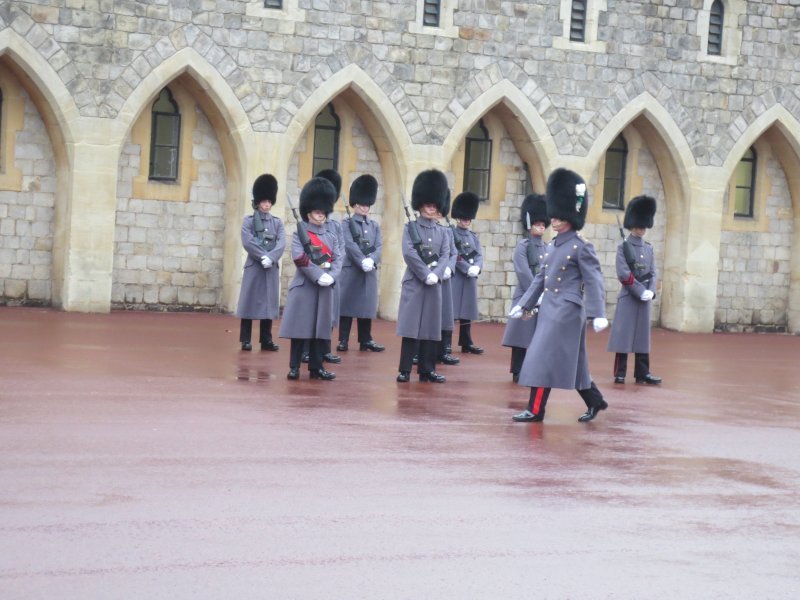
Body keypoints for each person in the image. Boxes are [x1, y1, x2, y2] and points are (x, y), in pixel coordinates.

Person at [509, 168, 609, 423]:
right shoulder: (553, 245)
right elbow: (541, 279)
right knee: (572, 364)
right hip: (550, 309)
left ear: (569, 215)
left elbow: (594, 280)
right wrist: (523, 305)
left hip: (566, 312)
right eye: (552, 216)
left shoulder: (580, 247)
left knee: (542, 358)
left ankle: (535, 410)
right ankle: (595, 401)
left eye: (557, 216)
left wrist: (598, 313)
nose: (553, 220)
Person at [278, 177, 339, 381]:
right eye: (316, 211)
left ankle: (316, 366)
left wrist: (330, 277)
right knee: (300, 329)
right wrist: (318, 274)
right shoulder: (299, 234)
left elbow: (339, 258)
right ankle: (294, 366)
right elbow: (299, 257)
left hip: (325, 287)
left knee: (320, 330)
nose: (320, 214)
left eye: (322, 211)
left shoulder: (331, 235)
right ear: (309, 212)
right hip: (305, 287)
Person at [396, 169, 451, 383]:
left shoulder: (443, 232)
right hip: (415, 283)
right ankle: (405, 369)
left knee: (430, 328)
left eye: (434, 205)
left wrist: (435, 274)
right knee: (411, 329)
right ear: (420, 205)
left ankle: (427, 370)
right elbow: (409, 253)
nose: (431, 208)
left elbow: (446, 254)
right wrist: (425, 273)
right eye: (428, 205)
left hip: (433, 284)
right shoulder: (410, 227)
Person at [607, 195, 662, 385]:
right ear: (632, 225)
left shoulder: (648, 248)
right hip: (629, 297)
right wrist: (640, 291)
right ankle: (620, 372)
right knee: (624, 336)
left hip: (644, 298)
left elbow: (653, 272)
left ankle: (642, 372)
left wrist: (651, 291)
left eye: (644, 226)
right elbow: (623, 273)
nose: (642, 229)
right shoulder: (623, 247)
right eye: (639, 225)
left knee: (642, 338)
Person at [235, 174, 286, 352]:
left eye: (269, 201)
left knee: (268, 305)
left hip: (270, 268)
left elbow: (281, 243)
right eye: (263, 201)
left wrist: (271, 258)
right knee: (249, 303)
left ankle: (266, 339)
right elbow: (247, 241)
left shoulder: (277, 223)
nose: (266, 204)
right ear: (257, 202)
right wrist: (261, 256)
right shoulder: (249, 221)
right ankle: (246, 339)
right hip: (255, 267)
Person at [501, 193, 548, 382]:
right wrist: (534, 295)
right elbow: (523, 271)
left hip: (542, 298)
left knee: (538, 337)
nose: (541, 227)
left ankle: (534, 368)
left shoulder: (546, 247)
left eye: (543, 225)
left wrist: (544, 294)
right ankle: (517, 369)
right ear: (530, 224)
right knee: (521, 337)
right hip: (525, 296)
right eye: (538, 224)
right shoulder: (523, 245)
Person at [336, 174, 385, 352]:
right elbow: (348, 244)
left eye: (367, 205)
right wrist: (361, 259)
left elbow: (379, 245)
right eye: (361, 204)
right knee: (347, 306)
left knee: (366, 306)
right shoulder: (346, 223)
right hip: (352, 269)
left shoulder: (374, 226)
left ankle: (366, 339)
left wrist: (371, 259)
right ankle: (343, 339)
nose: (364, 207)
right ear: (355, 204)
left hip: (368, 270)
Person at [450, 191, 484, 354]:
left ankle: (466, 341)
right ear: (458, 218)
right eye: (464, 218)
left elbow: (478, 254)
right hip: (457, 277)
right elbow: (452, 254)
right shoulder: (451, 233)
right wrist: (465, 267)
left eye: (468, 219)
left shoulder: (473, 236)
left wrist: (477, 266)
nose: (466, 221)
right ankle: (446, 342)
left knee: (467, 311)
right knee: (452, 310)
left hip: (470, 278)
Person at [436, 191, 460, 366]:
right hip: (429, 277)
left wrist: (450, 269)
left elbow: (453, 252)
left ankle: (444, 350)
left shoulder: (447, 232)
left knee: (445, 315)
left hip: (445, 280)